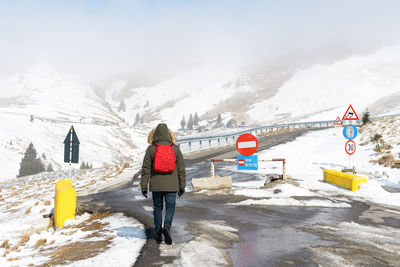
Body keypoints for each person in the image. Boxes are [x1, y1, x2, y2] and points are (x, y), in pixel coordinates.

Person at [141, 123, 186, 245]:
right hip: (172, 185)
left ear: (155, 134)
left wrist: (143, 186)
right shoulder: (175, 148)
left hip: (156, 185)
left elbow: (145, 169)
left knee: (158, 208)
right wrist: (182, 186)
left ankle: (158, 233)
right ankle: (167, 227)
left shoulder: (151, 149)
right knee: (170, 207)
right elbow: (181, 170)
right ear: (169, 133)